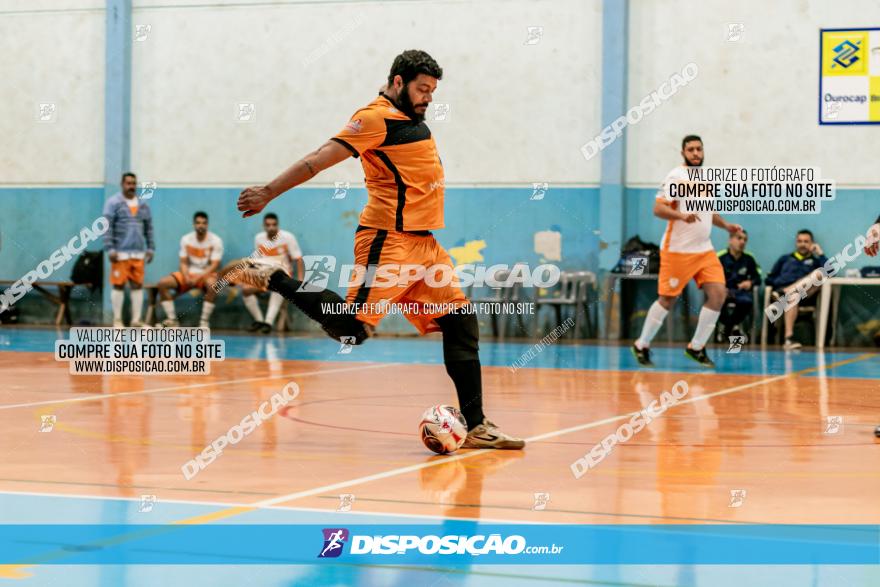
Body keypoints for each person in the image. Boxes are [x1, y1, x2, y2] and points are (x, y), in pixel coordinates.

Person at [221, 49, 523, 449]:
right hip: (388, 241)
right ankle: (272, 276)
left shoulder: (409, 118)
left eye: (432, 91)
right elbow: (317, 160)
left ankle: (477, 424)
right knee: (353, 330)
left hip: (424, 244)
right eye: (421, 89)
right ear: (397, 82)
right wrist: (268, 192)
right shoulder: (373, 118)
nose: (428, 98)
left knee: (460, 321)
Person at [631, 135, 743, 368]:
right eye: (690, 149)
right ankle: (641, 344)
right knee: (667, 300)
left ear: (703, 152)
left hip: (704, 250)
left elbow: (708, 212)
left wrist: (727, 226)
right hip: (678, 252)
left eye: (698, 149)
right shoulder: (676, 176)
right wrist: (681, 215)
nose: (695, 153)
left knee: (718, 294)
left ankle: (697, 347)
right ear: (683, 153)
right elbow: (658, 208)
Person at [155, 211, 224, 328]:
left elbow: (215, 265)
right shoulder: (186, 239)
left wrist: (199, 277)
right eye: (198, 223)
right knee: (162, 283)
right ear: (194, 225)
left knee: (214, 286)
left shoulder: (216, 241)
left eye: (204, 223)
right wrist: (186, 276)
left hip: (207, 274)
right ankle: (172, 321)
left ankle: (204, 322)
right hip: (189, 273)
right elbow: (183, 262)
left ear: (207, 225)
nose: (201, 225)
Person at [103, 172, 154, 328]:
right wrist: (110, 249)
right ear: (122, 184)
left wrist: (151, 247)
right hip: (119, 254)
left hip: (138, 253)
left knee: (137, 286)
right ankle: (117, 320)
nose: (131, 186)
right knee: (118, 285)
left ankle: (136, 320)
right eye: (128, 183)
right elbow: (107, 227)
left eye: (134, 183)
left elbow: (149, 228)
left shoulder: (143, 205)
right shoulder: (113, 203)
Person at [241, 213, 304, 333]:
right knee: (245, 290)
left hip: (283, 275)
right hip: (264, 275)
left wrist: (300, 280)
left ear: (278, 225)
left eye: (274, 225)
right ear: (264, 226)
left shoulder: (288, 237)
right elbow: (257, 261)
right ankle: (259, 321)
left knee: (279, 287)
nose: (271, 227)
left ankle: (268, 323)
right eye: (268, 225)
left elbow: (298, 259)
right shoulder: (259, 238)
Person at [765, 229, 828, 350]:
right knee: (793, 296)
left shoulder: (816, 261)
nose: (802, 244)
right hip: (784, 294)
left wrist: (820, 253)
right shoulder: (785, 259)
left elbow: (831, 272)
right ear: (796, 243)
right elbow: (769, 279)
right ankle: (788, 339)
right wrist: (777, 285)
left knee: (820, 273)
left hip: (805, 295)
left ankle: (785, 292)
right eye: (799, 241)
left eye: (806, 241)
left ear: (812, 244)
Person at [717, 229, 761, 340]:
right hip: (723, 291)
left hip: (741, 293)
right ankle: (734, 327)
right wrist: (721, 287)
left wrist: (750, 282)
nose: (742, 242)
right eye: (739, 238)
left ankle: (727, 328)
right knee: (716, 300)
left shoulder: (749, 259)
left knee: (747, 301)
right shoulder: (720, 257)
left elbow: (758, 278)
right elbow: (710, 278)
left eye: (745, 239)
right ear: (730, 240)